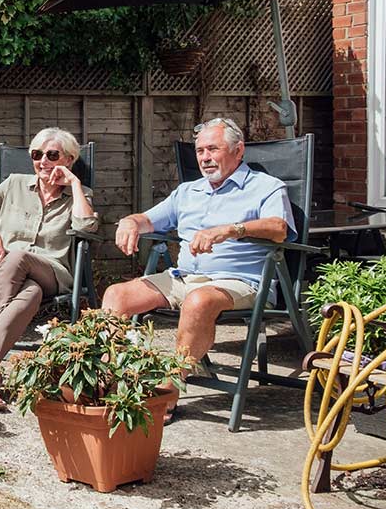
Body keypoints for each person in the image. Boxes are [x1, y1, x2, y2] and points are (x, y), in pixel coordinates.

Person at [101, 117, 294, 422]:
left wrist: (232, 229)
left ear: (238, 150)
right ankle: (107, 382)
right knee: (117, 295)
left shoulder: (266, 187)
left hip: (240, 282)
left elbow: (279, 228)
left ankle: (169, 387)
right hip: (184, 278)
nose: (204, 158)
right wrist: (129, 222)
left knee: (199, 301)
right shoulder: (188, 191)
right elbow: (147, 219)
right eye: (200, 150)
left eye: (213, 149)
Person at [0, 128, 99, 411]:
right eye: (37, 155)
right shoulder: (13, 184)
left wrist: (73, 183)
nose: (43, 161)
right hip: (3, 275)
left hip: (52, 271)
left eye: (52, 155)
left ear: (69, 159)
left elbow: (87, 227)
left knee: (18, 257)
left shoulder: (80, 193)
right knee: (30, 293)